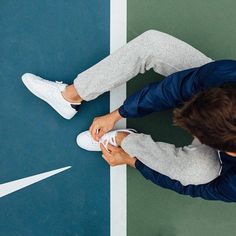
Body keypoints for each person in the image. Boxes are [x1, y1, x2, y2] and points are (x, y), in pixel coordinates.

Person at [21, 30, 236, 202]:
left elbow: (197, 190)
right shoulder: (226, 75)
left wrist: (133, 160)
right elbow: (172, 90)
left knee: (194, 174)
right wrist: (119, 113)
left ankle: (124, 139)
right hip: (217, 98)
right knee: (153, 44)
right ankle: (70, 96)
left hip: (220, 154)